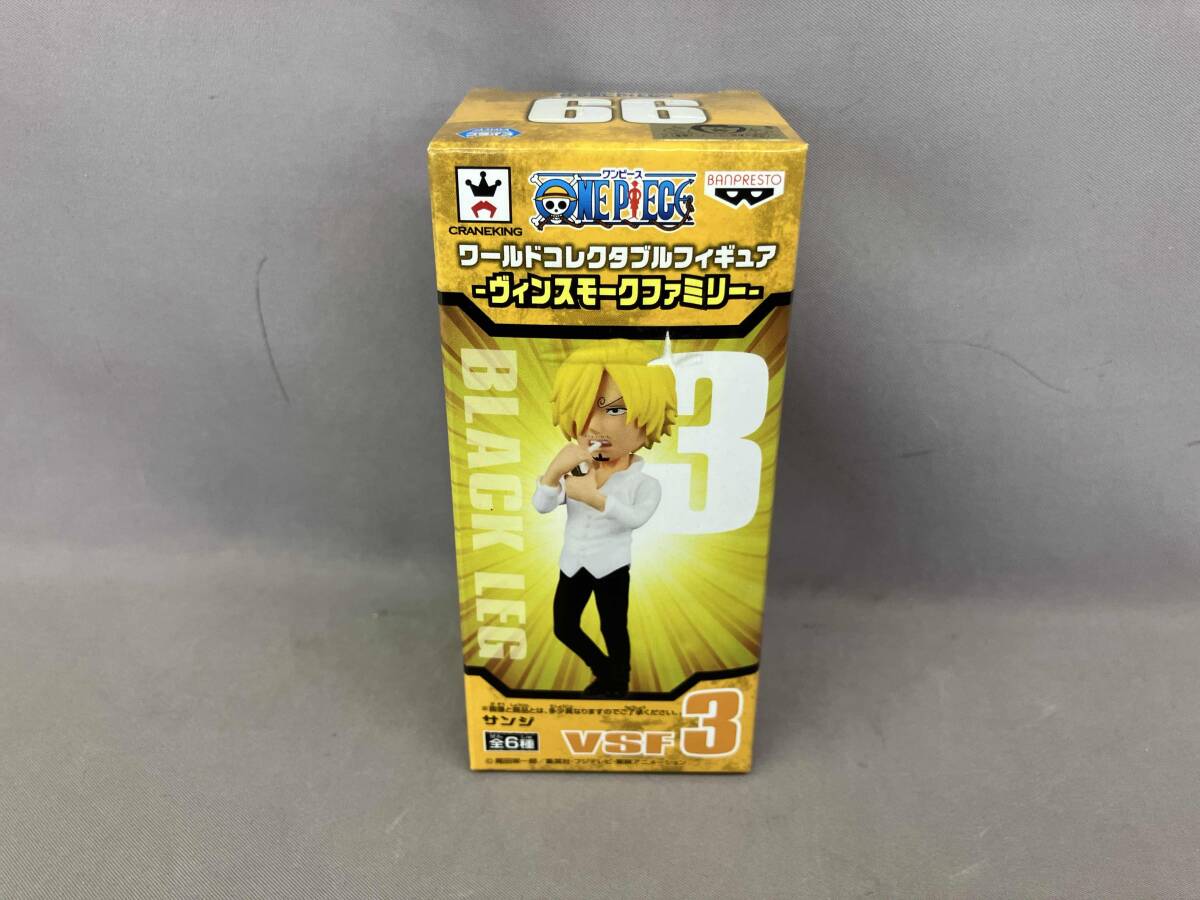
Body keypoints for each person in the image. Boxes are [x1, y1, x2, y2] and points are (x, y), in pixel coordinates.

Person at [532, 341, 677, 697]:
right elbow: (542, 506)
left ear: (649, 415)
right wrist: (552, 474)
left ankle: (618, 682)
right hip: (572, 563)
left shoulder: (645, 484)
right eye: (584, 409)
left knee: (613, 627)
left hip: (611, 566)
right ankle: (605, 671)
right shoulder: (578, 469)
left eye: (615, 410)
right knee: (564, 627)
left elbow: (636, 518)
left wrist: (595, 499)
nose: (596, 425)